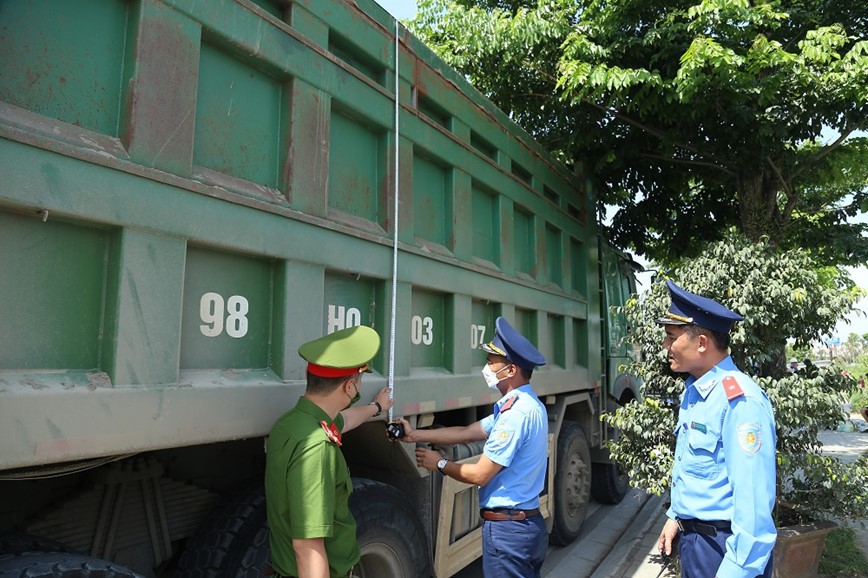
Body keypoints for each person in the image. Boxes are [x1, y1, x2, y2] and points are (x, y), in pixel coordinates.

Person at [392, 316, 549, 578]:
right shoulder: (527, 405)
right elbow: (467, 432)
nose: (486, 369)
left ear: (510, 370)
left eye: (491, 363)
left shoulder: (515, 415)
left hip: (508, 532)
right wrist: (413, 434)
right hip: (527, 525)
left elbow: (480, 475)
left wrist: (439, 464)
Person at [655, 281, 777, 578]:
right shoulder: (696, 391)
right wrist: (676, 517)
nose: (666, 346)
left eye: (672, 337)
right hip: (697, 543)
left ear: (702, 343)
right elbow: (702, 473)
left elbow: (754, 510)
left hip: (726, 552)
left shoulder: (740, 402)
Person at [265, 325, 393, 578]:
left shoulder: (292, 423)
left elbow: (345, 419)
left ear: (308, 373)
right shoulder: (317, 448)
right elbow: (307, 547)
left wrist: (376, 407)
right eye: (359, 380)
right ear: (349, 387)